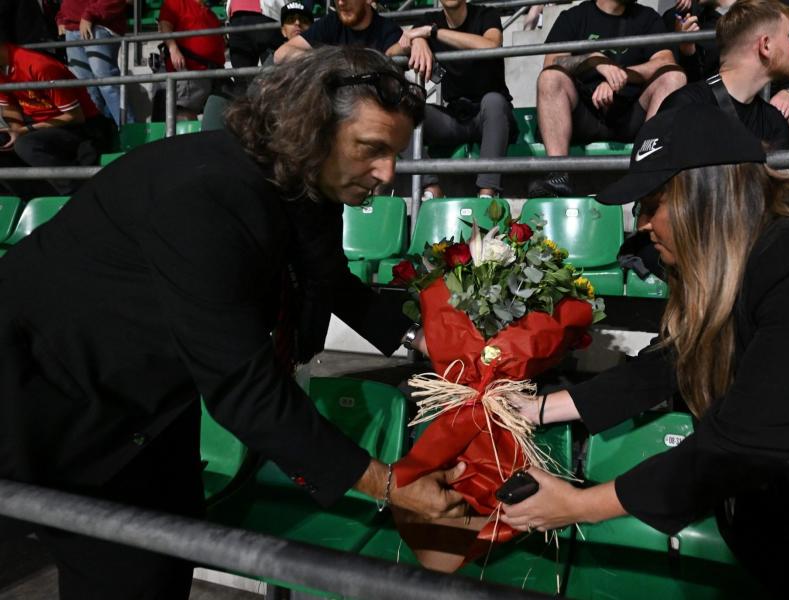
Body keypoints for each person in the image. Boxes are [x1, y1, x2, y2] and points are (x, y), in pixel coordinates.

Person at [0, 46, 465, 599]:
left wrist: (431, 340)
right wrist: (388, 484)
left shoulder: (303, 179)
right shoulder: (206, 195)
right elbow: (242, 388)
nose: (389, 173)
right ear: (313, 129)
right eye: (372, 149)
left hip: (147, 402)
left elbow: (330, 280)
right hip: (44, 397)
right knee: (128, 575)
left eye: (394, 152)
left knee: (166, 556)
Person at [501, 104, 789, 598]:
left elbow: (748, 442)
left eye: (653, 203)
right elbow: (676, 359)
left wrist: (577, 505)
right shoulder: (766, 251)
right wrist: (539, 409)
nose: (645, 226)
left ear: (706, 195)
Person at [527, 0, 685, 198]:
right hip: (583, 113)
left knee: (673, 76)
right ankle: (558, 175)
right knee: (550, 77)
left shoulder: (647, 18)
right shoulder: (574, 17)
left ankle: (650, 178)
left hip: (629, 114)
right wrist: (593, 60)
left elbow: (665, 61)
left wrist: (621, 76)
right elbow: (552, 61)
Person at [664, 0, 789, 151]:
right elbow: (693, 82)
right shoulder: (685, 15)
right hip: (720, 109)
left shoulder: (775, 7)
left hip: (772, 103)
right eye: (787, 37)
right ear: (765, 44)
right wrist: (687, 50)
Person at [396, 0, 515, 198]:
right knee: (402, 112)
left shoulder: (486, 15)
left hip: (492, 117)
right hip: (455, 116)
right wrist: (417, 41)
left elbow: (490, 44)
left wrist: (431, 33)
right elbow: (391, 52)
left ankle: (487, 194)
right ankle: (431, 188)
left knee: (493, 101)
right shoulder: (429, 21)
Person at [0, 41, 116, 198]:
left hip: (81, 126)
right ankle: (26, 200)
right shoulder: (4, 69)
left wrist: (25, 130)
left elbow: (75, 116)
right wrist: (15, 129)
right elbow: (10, 107)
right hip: (38, 125)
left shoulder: (38, 66)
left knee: (26, 144)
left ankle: (76, 193)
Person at [55, 0, 129, 126]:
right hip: (72, 29)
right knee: (86, 89)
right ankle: (99, 135)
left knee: (107, 84)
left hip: (99, 26)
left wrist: (89, 15)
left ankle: (129, 132)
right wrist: (61, 18)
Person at [159, 0, 227, 120]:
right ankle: (183, 138)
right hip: (189, 70)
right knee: (185, 112)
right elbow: (164, 26)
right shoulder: (175, 2)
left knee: (227, 110)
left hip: (214, 73)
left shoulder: (209, 13)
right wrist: (173, 49)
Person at [273, 0, 403, 62]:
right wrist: (326, 61)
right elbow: (281, 54)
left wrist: (418, 39)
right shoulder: (331, 23)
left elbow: (393, 53)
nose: (341, 3)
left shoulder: (388, 30)